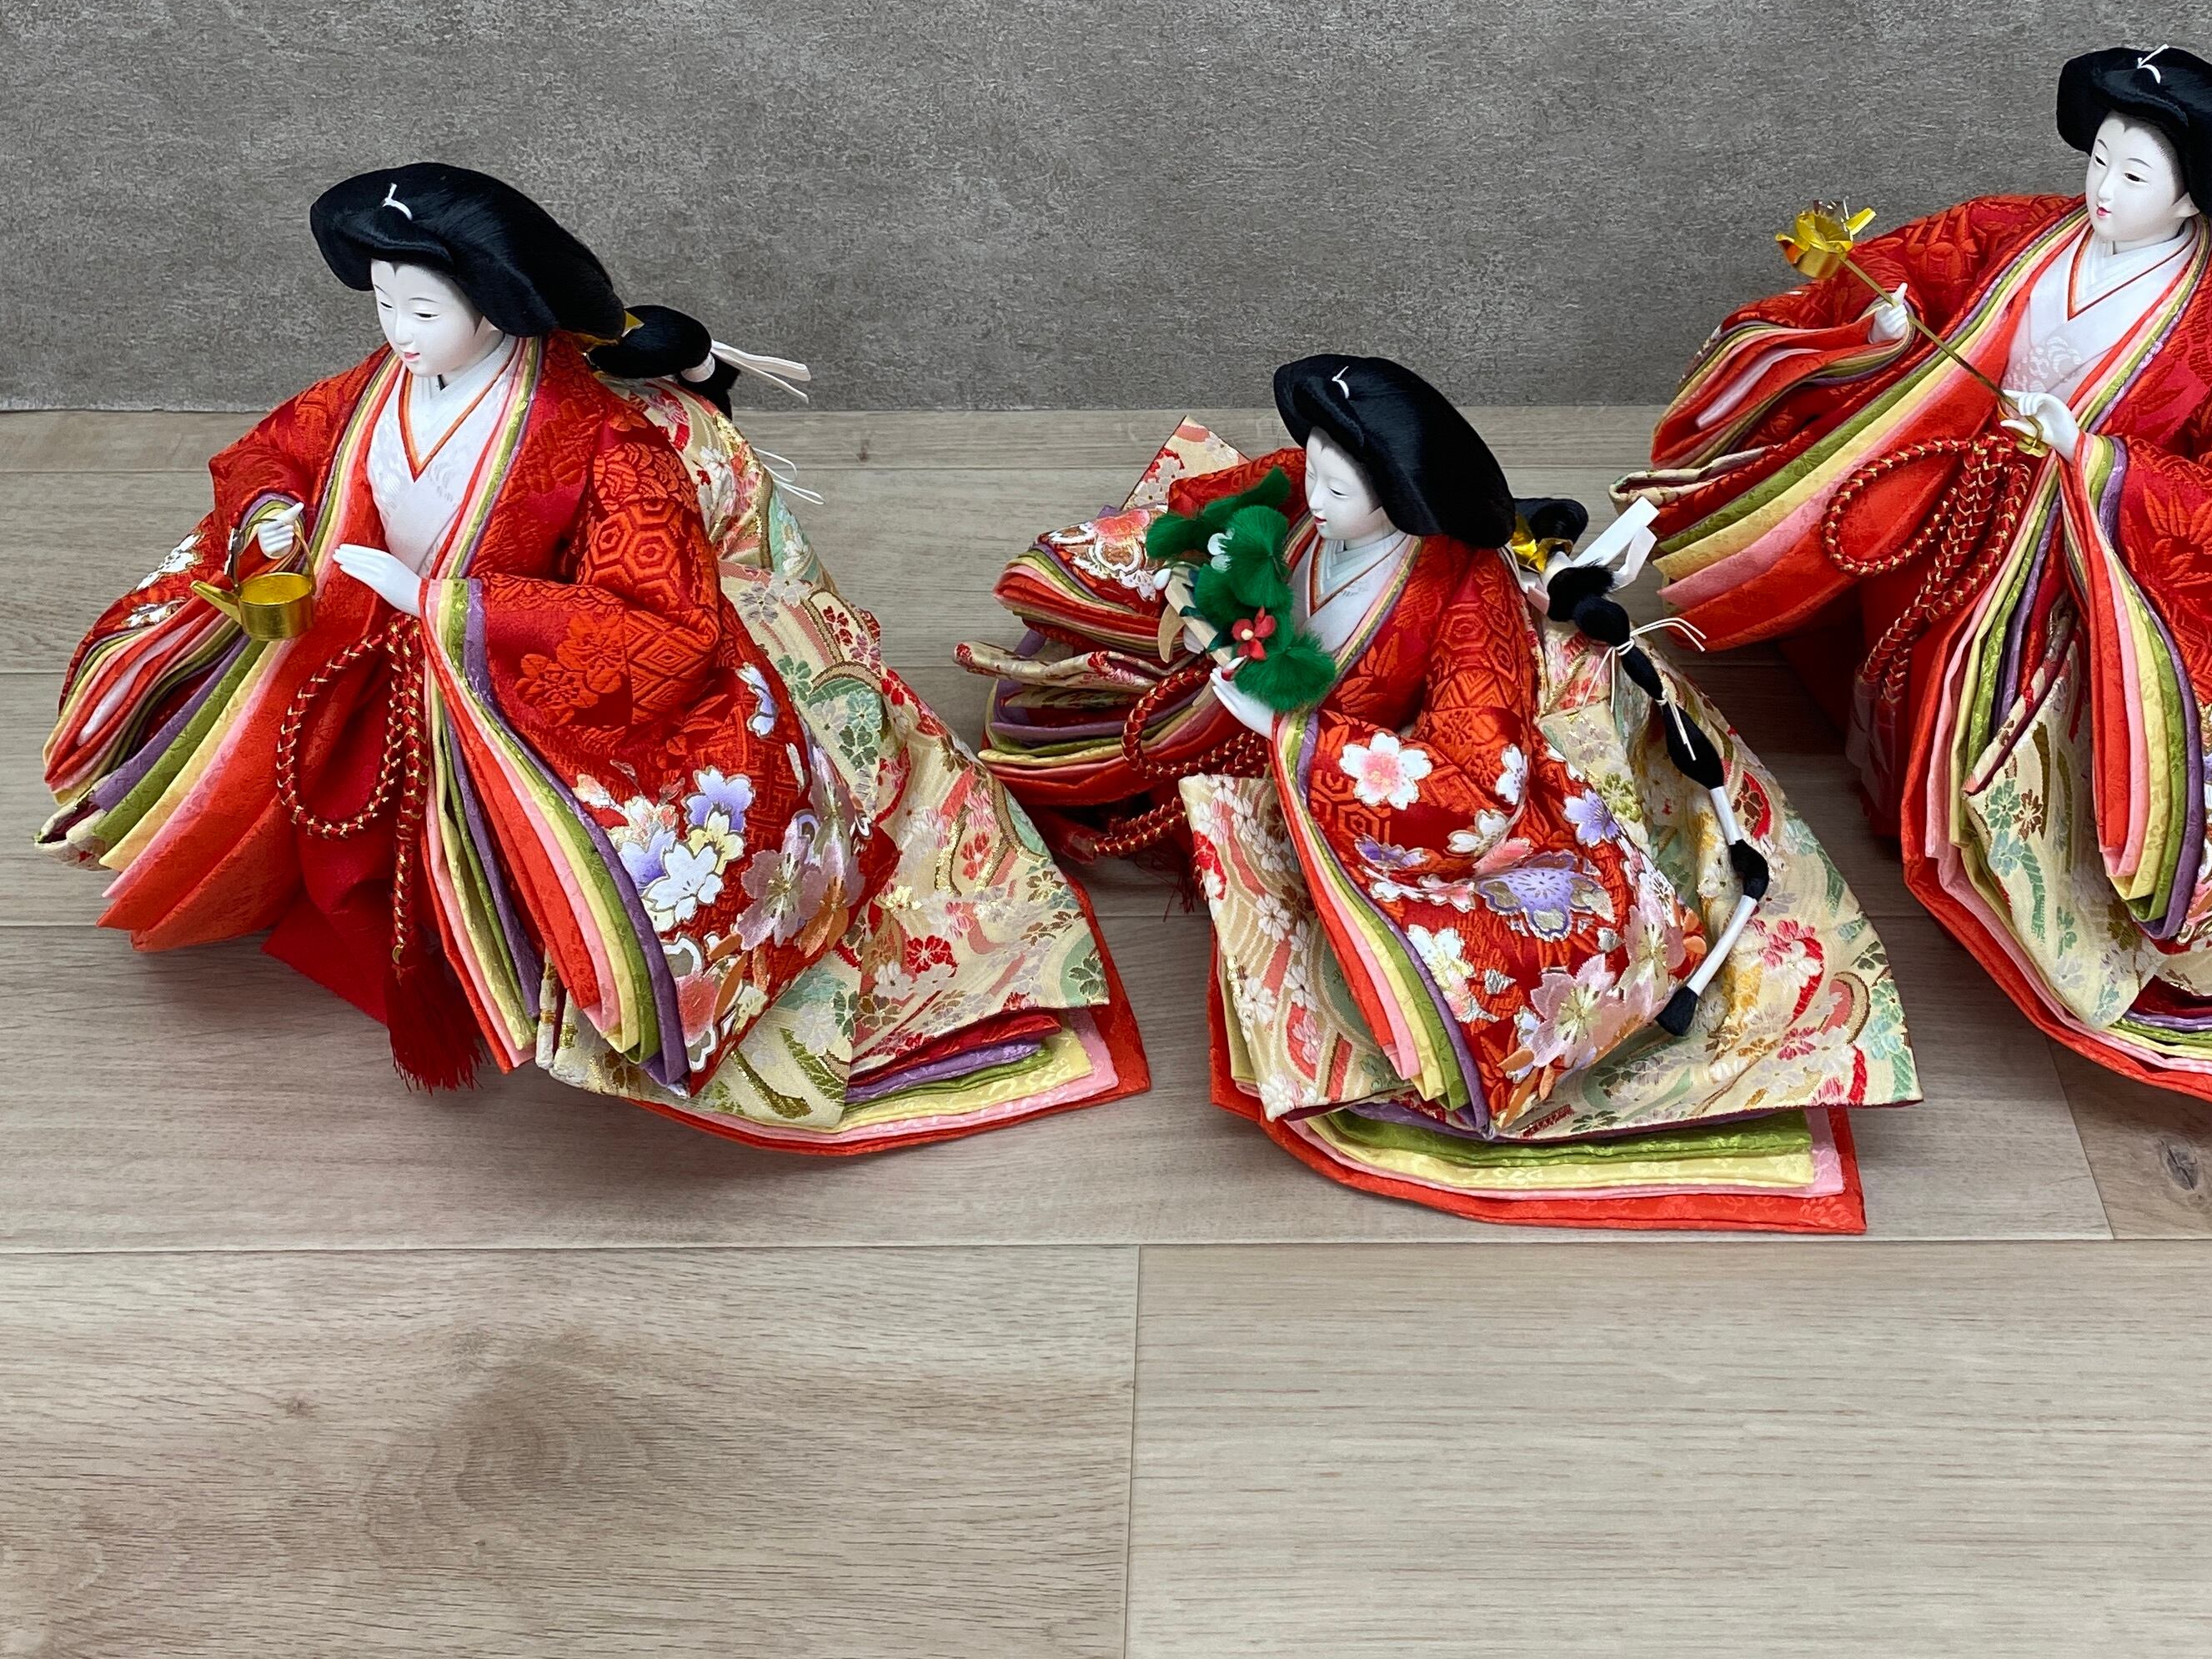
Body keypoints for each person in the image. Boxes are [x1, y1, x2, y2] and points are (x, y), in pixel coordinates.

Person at [43, 163, 1144, 1149]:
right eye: (383, 305)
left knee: (589, 854)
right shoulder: (371, 392)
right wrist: (275, 518)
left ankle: (509, 967)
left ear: (496, 307)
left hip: (505, 680)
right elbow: (273, 449)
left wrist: (458, 609)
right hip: (372, 656)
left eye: (422, 309)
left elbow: (663, 619)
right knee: (291, 766)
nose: (399, 333)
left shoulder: (599, 438)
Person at [1618, 48, 2212, 1183]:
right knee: (1900, 668)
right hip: (1963, 507)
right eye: (2099, 159)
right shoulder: (2026, 234)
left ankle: (1988, 850)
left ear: (2193, 200)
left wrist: (2102, 463)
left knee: (1994, 741)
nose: (2102, 188)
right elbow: (1900, 266)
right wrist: (1878, 316)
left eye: (2135, 174)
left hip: (2081, 572)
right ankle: (1896, 785)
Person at [966, 355, 1917, 1230]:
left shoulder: (1469, 598)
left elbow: (1476, 782)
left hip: (1364, 760)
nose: (1312, 493)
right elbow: (1215, 500)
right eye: (1313, 469)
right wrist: (1198, 578)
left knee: (1466, 946)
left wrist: (1302, 740)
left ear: (1400, 498)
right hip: (1247, 705)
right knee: (1054, 739)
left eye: (1338, 487)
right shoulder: (1314, 493)